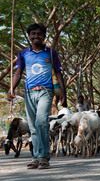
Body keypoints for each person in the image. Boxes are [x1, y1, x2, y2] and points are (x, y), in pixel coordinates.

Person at [7, 23, 67, 169]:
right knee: (33, 127)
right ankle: (36, 157)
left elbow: (58, 72)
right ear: (29, 36)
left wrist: (63, 92)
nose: (36, 36)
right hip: (29, 92)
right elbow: (18, 73)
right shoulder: (23, 54)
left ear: (44, 36)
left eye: (39, 34)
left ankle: (44, 156)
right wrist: (11, 89)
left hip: (46, 92)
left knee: (41, 122)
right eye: (33, 33)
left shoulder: (51, 53)